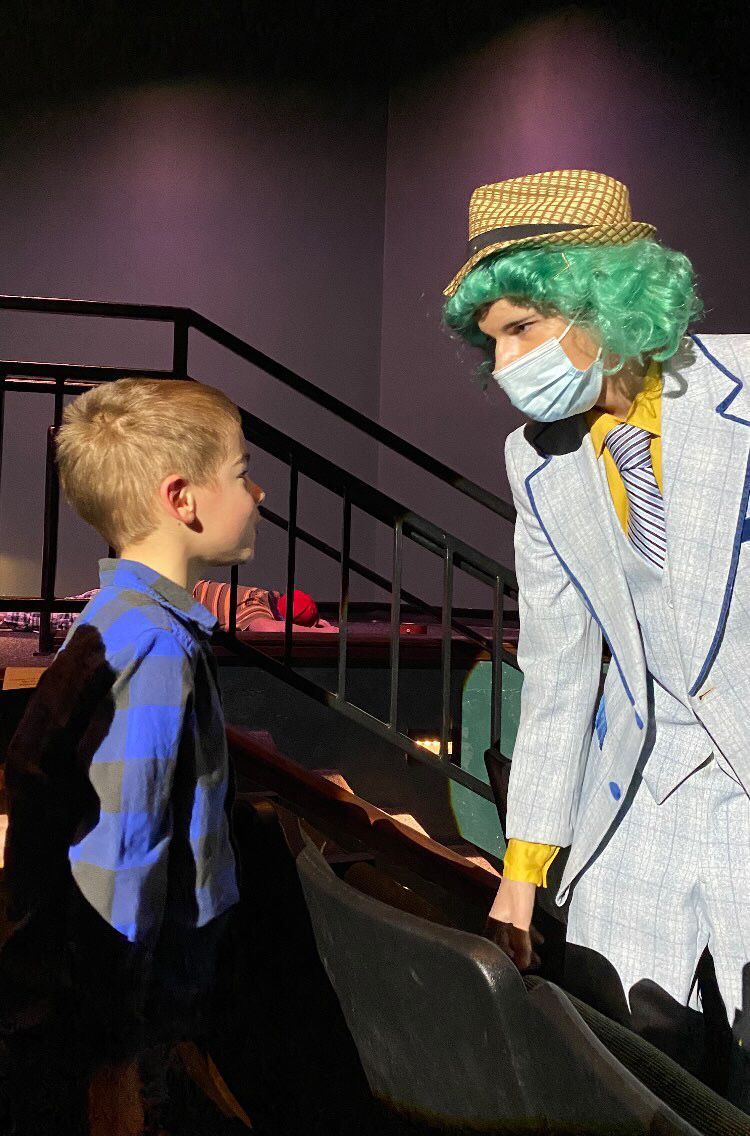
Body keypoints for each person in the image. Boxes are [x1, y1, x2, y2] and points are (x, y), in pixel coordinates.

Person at [443, 170, 749, 1103]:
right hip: (641, 792)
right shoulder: (535, 459)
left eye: (522, 328)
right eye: (492, 339)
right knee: (633, 1068)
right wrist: (523, 868)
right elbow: (560, 668)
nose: (504, 364)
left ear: (603, 299)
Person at [2, 377, 262, 1134]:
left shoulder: (118, 616)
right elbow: (121, 857)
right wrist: (114, 1054)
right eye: (242, 473)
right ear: (183, 499)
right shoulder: (155, 649)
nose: (258, 494)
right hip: (138, 1021)